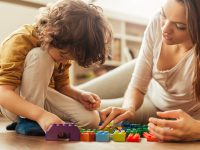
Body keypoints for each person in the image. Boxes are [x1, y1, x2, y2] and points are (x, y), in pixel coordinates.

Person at [0, 0, 112, 134]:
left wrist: (79, 95)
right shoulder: (20, 40)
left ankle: (39, 123)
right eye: (64, 57)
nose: (65, 63)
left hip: (42, 98)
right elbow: (3, 93)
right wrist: (39, 115)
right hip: (13, 99)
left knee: (91, 120)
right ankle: (27, 121)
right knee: (41, 55)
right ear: (50, 34)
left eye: (70, 59)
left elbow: (62, 86)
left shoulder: (63, 47)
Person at [95, 0, 200, 141]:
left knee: (88, 115)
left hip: (181, 114)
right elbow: (137, 87)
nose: (164, 29)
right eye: (164, 15)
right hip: (148, 92)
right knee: (80, 98)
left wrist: (196, 128)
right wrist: (129, 108)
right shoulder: (158, 21)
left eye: (180, 26)